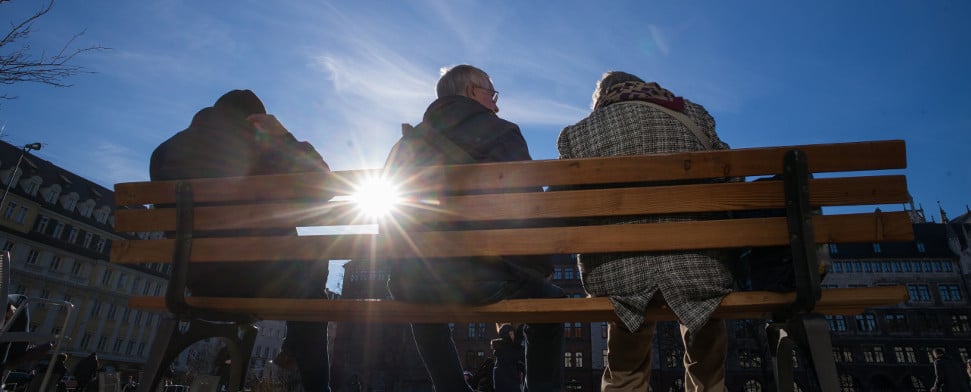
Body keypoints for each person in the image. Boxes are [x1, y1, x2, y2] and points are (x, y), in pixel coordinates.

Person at [384, 64, 565, 392]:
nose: (496, 105)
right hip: (489, 278)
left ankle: (451, 386)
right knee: (552, 304)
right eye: (492, 95)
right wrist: (541, 266)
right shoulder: (501, 132)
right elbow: (528, 206)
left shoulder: (404, 145)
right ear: (472, 91)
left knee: (419, 292)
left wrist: (401, 271)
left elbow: (390, 222)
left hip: (418, 282)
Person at [557, 71, 733, 392]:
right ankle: (710, 385)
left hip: (619, 271)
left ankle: (624, 384)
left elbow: (566, 209)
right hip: (699, 264)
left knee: (628, 318)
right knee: (704, 310)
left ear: (602, 99)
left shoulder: (577, 134)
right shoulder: (695, 115)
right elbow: (731, 182)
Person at [149, 89, 332, 392]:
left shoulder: (164, 151)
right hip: (259, 282)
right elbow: (324, 185)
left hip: (195, 281)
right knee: (315, 258)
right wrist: (283, 136)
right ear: (255, 120)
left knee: (307, 266)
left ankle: (293, 346)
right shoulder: (261, 147)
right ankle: (315, 382)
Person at [491, 323, 525, 392]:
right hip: (508, 383)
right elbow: (519, 355)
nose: (513, 336)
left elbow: (511, 361)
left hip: (504, 382)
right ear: (506, 335)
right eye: (511, 334)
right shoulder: (506, 347)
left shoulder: (501, 346)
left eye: (513, 334)